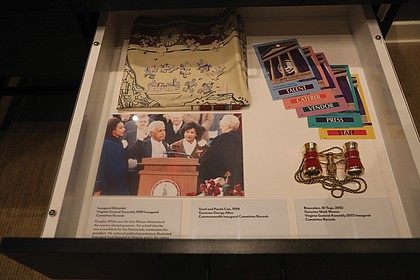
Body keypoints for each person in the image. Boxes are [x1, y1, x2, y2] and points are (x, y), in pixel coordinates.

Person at [198, 114, 244, 191]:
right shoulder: (241, 138)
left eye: (221, 125)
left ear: (228, 125)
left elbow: (210, 159)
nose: (220, 127)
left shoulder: (222, 139)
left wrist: (200, 162)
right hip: (239, 179)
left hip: (222, 180)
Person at [127, 121, 170, 192]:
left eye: (164, 130)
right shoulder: (144, 144)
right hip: (145, 177)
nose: (163, 133)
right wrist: (140, 139)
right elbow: (131, 154)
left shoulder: (166, 145)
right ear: (152, 133)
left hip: (162, 177)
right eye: (159, 131)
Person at [93, 117, 130, 195]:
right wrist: (98, 187)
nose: (124, 129)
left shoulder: (120, 144)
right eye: (120, 128)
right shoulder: (105, 144)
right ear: (113, 130)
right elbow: (100, 166)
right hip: (108, 185)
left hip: (121, 183)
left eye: (124, 127)